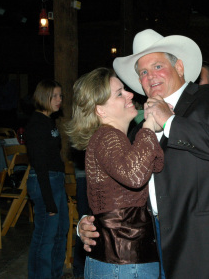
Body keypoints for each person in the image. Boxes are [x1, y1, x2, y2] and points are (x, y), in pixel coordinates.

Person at [79, 29, 209, 278]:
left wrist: (170, 122)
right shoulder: (136, 131)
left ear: (180, 67)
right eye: (143, 72)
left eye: (157, 66)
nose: (150, 76)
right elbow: (120, 188)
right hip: (150, 248)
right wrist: (89, 224)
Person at [65, 67, 163, 278]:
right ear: (100, 110)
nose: (130, 94)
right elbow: (135, 176)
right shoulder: (107, 137)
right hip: (124, 260)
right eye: (119, 93)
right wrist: (148, 127)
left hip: (119, 260)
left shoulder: (115, 140)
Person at [25, 80, 68, 279]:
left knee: (61, 232)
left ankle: (53, 275)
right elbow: (40, 163)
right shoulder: (36, 123)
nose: (60, 100)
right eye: (55, 96)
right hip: (45, 181)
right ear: (44, 97)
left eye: (60, 95)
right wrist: (49, 200)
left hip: (55, 180)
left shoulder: (49, 121)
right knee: (45, 236)